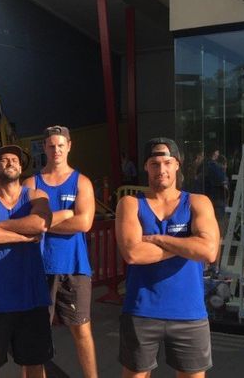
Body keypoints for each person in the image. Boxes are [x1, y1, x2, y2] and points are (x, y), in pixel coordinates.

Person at [116, 137, 219, 377]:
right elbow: (133, 253)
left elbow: (209, 251)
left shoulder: (197, 202)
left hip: (189, 312)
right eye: (154, 163)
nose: (161, 169)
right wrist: (188, 243)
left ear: (177, 165)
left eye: (167, 162)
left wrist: (157, 238)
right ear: (145, 167)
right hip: (141, 310)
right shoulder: (130, 204)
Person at [0, 145, 54, 377]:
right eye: (4, 160)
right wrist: (24, 238)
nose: (10, 163)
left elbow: (39, 224)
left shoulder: (37, 196)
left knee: (35, 366)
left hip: (31, 297)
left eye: (15, 160)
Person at [22, 125, 98, 378]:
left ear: (69, 146)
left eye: (60, 145)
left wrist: (44, 222)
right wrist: (66, 214)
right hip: (38, 267)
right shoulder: (31, 183)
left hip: (74, 266)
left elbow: (84, 223)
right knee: (36, 334)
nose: (56, 150)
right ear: (44, 147)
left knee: (82, 330)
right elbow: (27, 225)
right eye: (51, 145)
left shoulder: (82, 182)